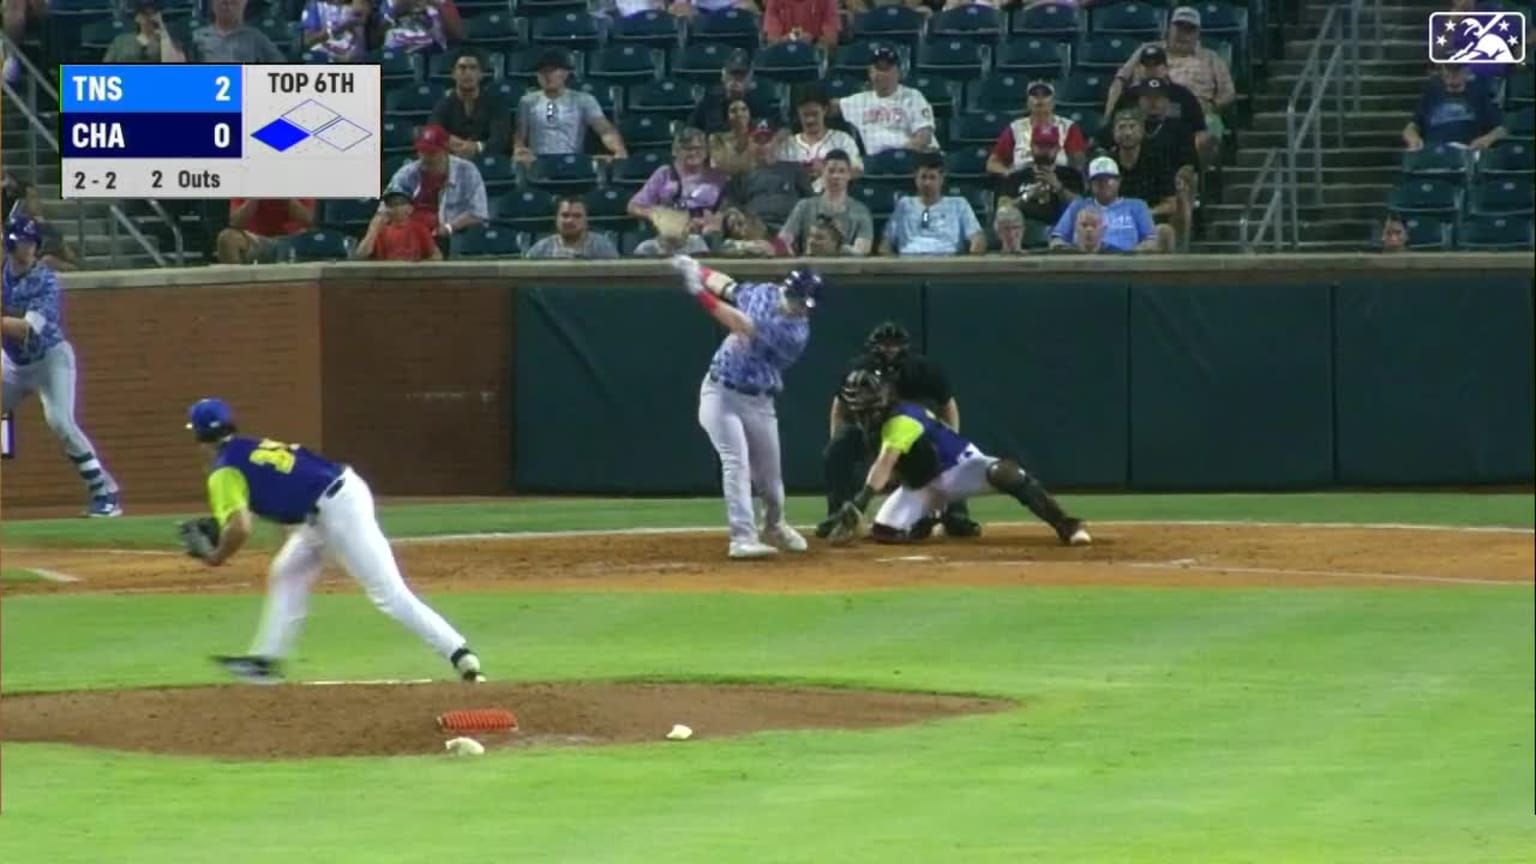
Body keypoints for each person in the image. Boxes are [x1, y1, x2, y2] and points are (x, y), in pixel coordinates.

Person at [182, 398, 485, 685]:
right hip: (330, 502)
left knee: (388, 593)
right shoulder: (248, 447)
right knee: (287, 571)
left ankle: (459, 653)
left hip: (339, 509)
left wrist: (217, 557)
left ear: (198, 437)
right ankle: (266, 662)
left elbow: (240, 527)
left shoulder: (223, 471)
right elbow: (288, 492)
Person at [824, 369, 1091, 546]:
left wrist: (860, 502)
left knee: (1005, 474)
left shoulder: (903, 418)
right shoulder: (873, 428)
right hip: (922, 484)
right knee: (885, 531)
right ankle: (930, 517)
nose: (866, 415)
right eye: (861, 410)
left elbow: (884, 464)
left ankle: (1067, 524)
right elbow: (895, 469)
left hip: (960, 468)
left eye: (869, 408)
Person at [673, 255, 821, 559]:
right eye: (797, 300)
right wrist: (697, 268)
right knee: (735, 462)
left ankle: (775, 525)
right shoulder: (764, 293)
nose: (799, 308)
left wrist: (698, 291)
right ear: (787, 289)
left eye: (804, 304)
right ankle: (742, 538)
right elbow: (728, 287)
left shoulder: (795, 334)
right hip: (720, 392)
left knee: (770, 480)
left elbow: (738, 323)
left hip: (759, 400)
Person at [1, 219, 122, 517]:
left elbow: (27, 329)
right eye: (21, 243)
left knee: (60, 422)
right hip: (12, 362)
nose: (27, 249)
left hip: (50, 359)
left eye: (31, 243)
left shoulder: (46, 281)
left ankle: (105, 493)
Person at [816, 321, 980, 540]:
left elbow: (947, 404)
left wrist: (951, 436)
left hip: (912, 430)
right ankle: (839, 514)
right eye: (884, 345)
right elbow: (840, 405)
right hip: (869, 429)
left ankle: (956, 513)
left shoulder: (923, 369)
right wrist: (837, 437)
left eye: (894, 345)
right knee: (835, 451)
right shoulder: (857, 369)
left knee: (943, 454)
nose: (889, 350)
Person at [381, 124, 490, 250]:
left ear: (445, 151)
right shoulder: (408, 173)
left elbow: (479, 213)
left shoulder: (467, 171)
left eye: (431, 153)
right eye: (422, 151)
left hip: (453, 234)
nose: (425, 157)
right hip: (413, 234)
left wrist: (449, 227)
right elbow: (384, 208)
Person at [514, 49, 628, 161]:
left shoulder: (583, 100)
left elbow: (604, 129)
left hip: (572, 160)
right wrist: (519, 150)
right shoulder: (527, 101)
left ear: (565, 73)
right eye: (542, 72)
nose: (547, 76)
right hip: (538, 162)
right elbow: (520, 134)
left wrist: (618, 150)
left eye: (552, 71)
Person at [835, 45, 937, 156]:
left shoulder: (913, 97)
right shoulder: (858, 101)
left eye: (887, 68)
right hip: (875, 164)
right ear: (870, 72)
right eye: (878, 68)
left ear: (898, 72)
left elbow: (924, 137)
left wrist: (903, 155)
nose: (882, 74)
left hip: (908, 158)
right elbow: (825, 106)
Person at [1050, 157, 1163, 253]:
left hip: (1126, 266)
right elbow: (1057, 240)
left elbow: (1152, 241)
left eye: (1109, 179)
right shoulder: (1078, 206)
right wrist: (1073, 252)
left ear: (1119, 181)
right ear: (1090, 184)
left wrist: (1129, 256)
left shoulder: (1137, 206)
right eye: (1097, 180)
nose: (1103, 184)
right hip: (1084, 264)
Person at [881, 153, 986, 256]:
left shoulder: (958, 204)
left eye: (932, 177)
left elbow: (977, 237)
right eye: (923, 177)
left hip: (948, 262)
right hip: (909, 262)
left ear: (941, 179)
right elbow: (886, 242)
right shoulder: (904, 204)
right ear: (916, 178)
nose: (927, 183)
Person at [721, 119, 814, 231]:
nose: (763, 146)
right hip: (753, 231)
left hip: (790, 229)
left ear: (775, 141)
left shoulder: (794, 169)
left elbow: (811, 202)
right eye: (757, 141)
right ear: (749, 143)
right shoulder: (740, 176)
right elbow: (731, 207)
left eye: (767, 141)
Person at [778, 149, 875, 256]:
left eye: (841, 171)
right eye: (831, 171)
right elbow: (784, 240)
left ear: (849, 175)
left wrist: (834, 249)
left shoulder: (861, 211)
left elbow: (862, 249)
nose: (835, 176)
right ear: (822, 173)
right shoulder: (804, 206)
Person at [987, 80, 1089, 174]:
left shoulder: (1068, 127)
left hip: (1058, 179)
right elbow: (992, 164)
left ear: (1053, 101)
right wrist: (1009, 174)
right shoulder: (1015, 128)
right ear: (1027, 102)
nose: (1040, 99)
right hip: (1023, 180)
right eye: (1034, 95)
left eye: (1045, 94)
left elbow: (1079, 164)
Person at [777, 88, 864, 193]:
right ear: (798, 113)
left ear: (825, 110)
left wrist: (827, 170)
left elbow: (858, 170)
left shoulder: (842, 139)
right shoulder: (788, 144)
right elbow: (779, 176)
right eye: (805, 115)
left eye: (815, 114)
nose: (810, 120)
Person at [1403, 63, 1507, 151]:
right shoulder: (1431, 95)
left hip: (1467, 152)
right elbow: (1411, 126)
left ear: (1467, 72)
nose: (1452, 74)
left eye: (1457, 70)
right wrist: (1413, 138)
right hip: (1433, 153)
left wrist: (1486, 140)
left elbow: (1500, 130)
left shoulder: (1479, 95)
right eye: (1448, 69)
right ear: (1442, 72)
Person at [430, 50, 512, 158]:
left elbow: (500, 139)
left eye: (473, 68)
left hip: (487, 159)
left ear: (480, 75)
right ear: (453, 74)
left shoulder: (496, 103)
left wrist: (476, 147)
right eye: (462, 68)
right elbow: (434, 132)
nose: (468, 73)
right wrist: (452, 142)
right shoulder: (443, 104)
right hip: (453, 160)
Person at [997, 124, 1082, 225]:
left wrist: (1059, 188)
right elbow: (1002, 209)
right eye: (1040, 145)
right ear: (1031, 147)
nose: (1045, 150)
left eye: (1050, 146)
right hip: (1023, 232)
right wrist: (1027, 196)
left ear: (1058, 148)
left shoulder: (1070, 175)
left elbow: (1082, 206)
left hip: (1062, 231)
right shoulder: (1016, 177)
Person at [690, 50, 780, 135]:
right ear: (723, 75)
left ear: (750, 78)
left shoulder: (759, 105)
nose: (736, 81)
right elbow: (692, 130)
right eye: (732, 74)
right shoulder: (709, 102)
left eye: (742, 76)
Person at [217, 198, 317, 264]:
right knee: (226, 238)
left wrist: (286, 197)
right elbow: (235, 222)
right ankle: (237, 291)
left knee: (315, 238)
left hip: (293, 240)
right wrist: (256, 197)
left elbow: (310, 221)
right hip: (256, 240)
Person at [354, 190, 442, 261]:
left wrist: (418, 266)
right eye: (391, 205)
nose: (396, 208)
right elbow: (360, 256)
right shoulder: (380, 230)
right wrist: (373, 230)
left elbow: (437, 256)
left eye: (400, 203)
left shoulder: (419, 229)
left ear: (410, 208)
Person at [188, 0, 286, 63]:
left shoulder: (256, 38)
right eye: (223, 2)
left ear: (244, 3)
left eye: (233, 2)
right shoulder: (197, 37)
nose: (227, 5)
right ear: (212, 3)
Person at [523, 197, 621, 259]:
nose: (570, 220)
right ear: (556, 219)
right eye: (565, 215)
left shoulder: (602, 246)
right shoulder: (541, 249)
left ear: (586, 221)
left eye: (577, 216)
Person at [102, 0, 188, 63]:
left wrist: (163, 31)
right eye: (144, 13)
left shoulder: (168, 40)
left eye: (152, 13)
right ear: (137, 17)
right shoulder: (120, 41)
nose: (148, 17)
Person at [301, 0, 369, 63]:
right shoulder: (316, 5)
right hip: (322, 55)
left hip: (350, 57)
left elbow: (360, 50)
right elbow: (307, 41)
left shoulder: (358, 5)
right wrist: (334, 30)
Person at [709, 98, 759, 175]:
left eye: (744, 109)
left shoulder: (759, 137)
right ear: (726, 116)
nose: (739, 114)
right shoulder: (717, 139)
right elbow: (719, 168)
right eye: (733, 111)